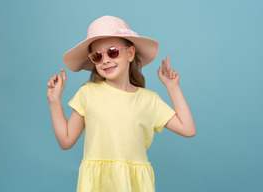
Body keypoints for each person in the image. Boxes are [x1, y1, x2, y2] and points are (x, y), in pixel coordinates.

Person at [47, 15, 196, 192]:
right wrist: (54, 101)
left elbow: (188, 129)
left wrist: (173, 87)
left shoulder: (149, 100)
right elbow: (66, 140)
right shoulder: (88, 93)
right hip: (97, 185)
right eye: (97, 56)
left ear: (130, 53)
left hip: (135, 186)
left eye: (112, 51)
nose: (106, 60)